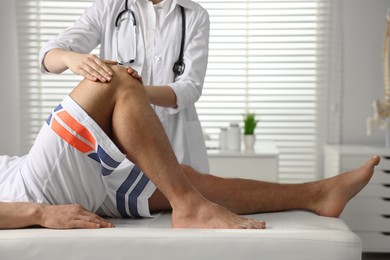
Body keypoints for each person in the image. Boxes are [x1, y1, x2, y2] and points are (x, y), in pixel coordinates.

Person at [0, 65, 381, 229]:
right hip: (29, 193)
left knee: (182, 179)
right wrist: (39, 214)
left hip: (30, 176)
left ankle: (318, 194)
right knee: (113, 79)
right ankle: (191, 209)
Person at [39, 0, 211, 174]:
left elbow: (190, 87)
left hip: (175, 139)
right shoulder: (109, 6)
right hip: (119, 140)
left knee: (180, 195)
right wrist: (69, 58)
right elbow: (48, 56)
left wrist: (131, 91)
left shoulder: (194, 14)